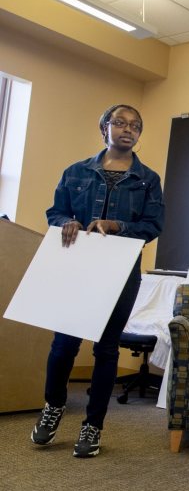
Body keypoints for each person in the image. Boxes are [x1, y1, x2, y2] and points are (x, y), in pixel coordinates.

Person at [30, 104, 165, 458]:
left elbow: (153, 226)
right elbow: (54, 212)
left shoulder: (148, 179)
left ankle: (93, 426)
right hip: (78, 270)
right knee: (63, 346)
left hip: (121, 273)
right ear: (103, 127)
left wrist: (118, 227)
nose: (128, 129)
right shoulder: (75, 172)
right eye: (120, 122)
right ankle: (54, 406)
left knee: (106, 350)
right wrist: (65, 223)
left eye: (135, 125)